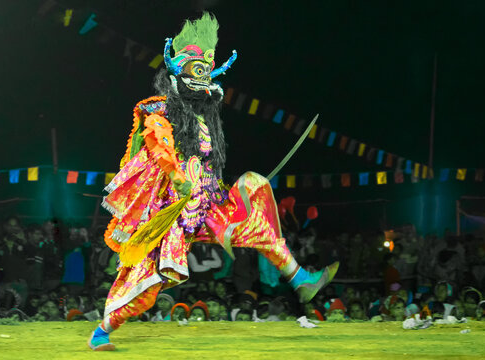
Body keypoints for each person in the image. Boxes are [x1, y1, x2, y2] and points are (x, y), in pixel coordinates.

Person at [88, 13, 339, 351]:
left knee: (254, 205)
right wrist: (178, 178)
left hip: (207, 204)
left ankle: (301, 278)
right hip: (171, 213)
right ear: (179, 71)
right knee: (148, 287)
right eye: (196, 70)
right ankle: (103, 329)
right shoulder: (160, 110)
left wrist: (205, 185)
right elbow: (157, 143)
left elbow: (207, 162)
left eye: (207, 70)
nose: (203, 78)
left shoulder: (205, 117)